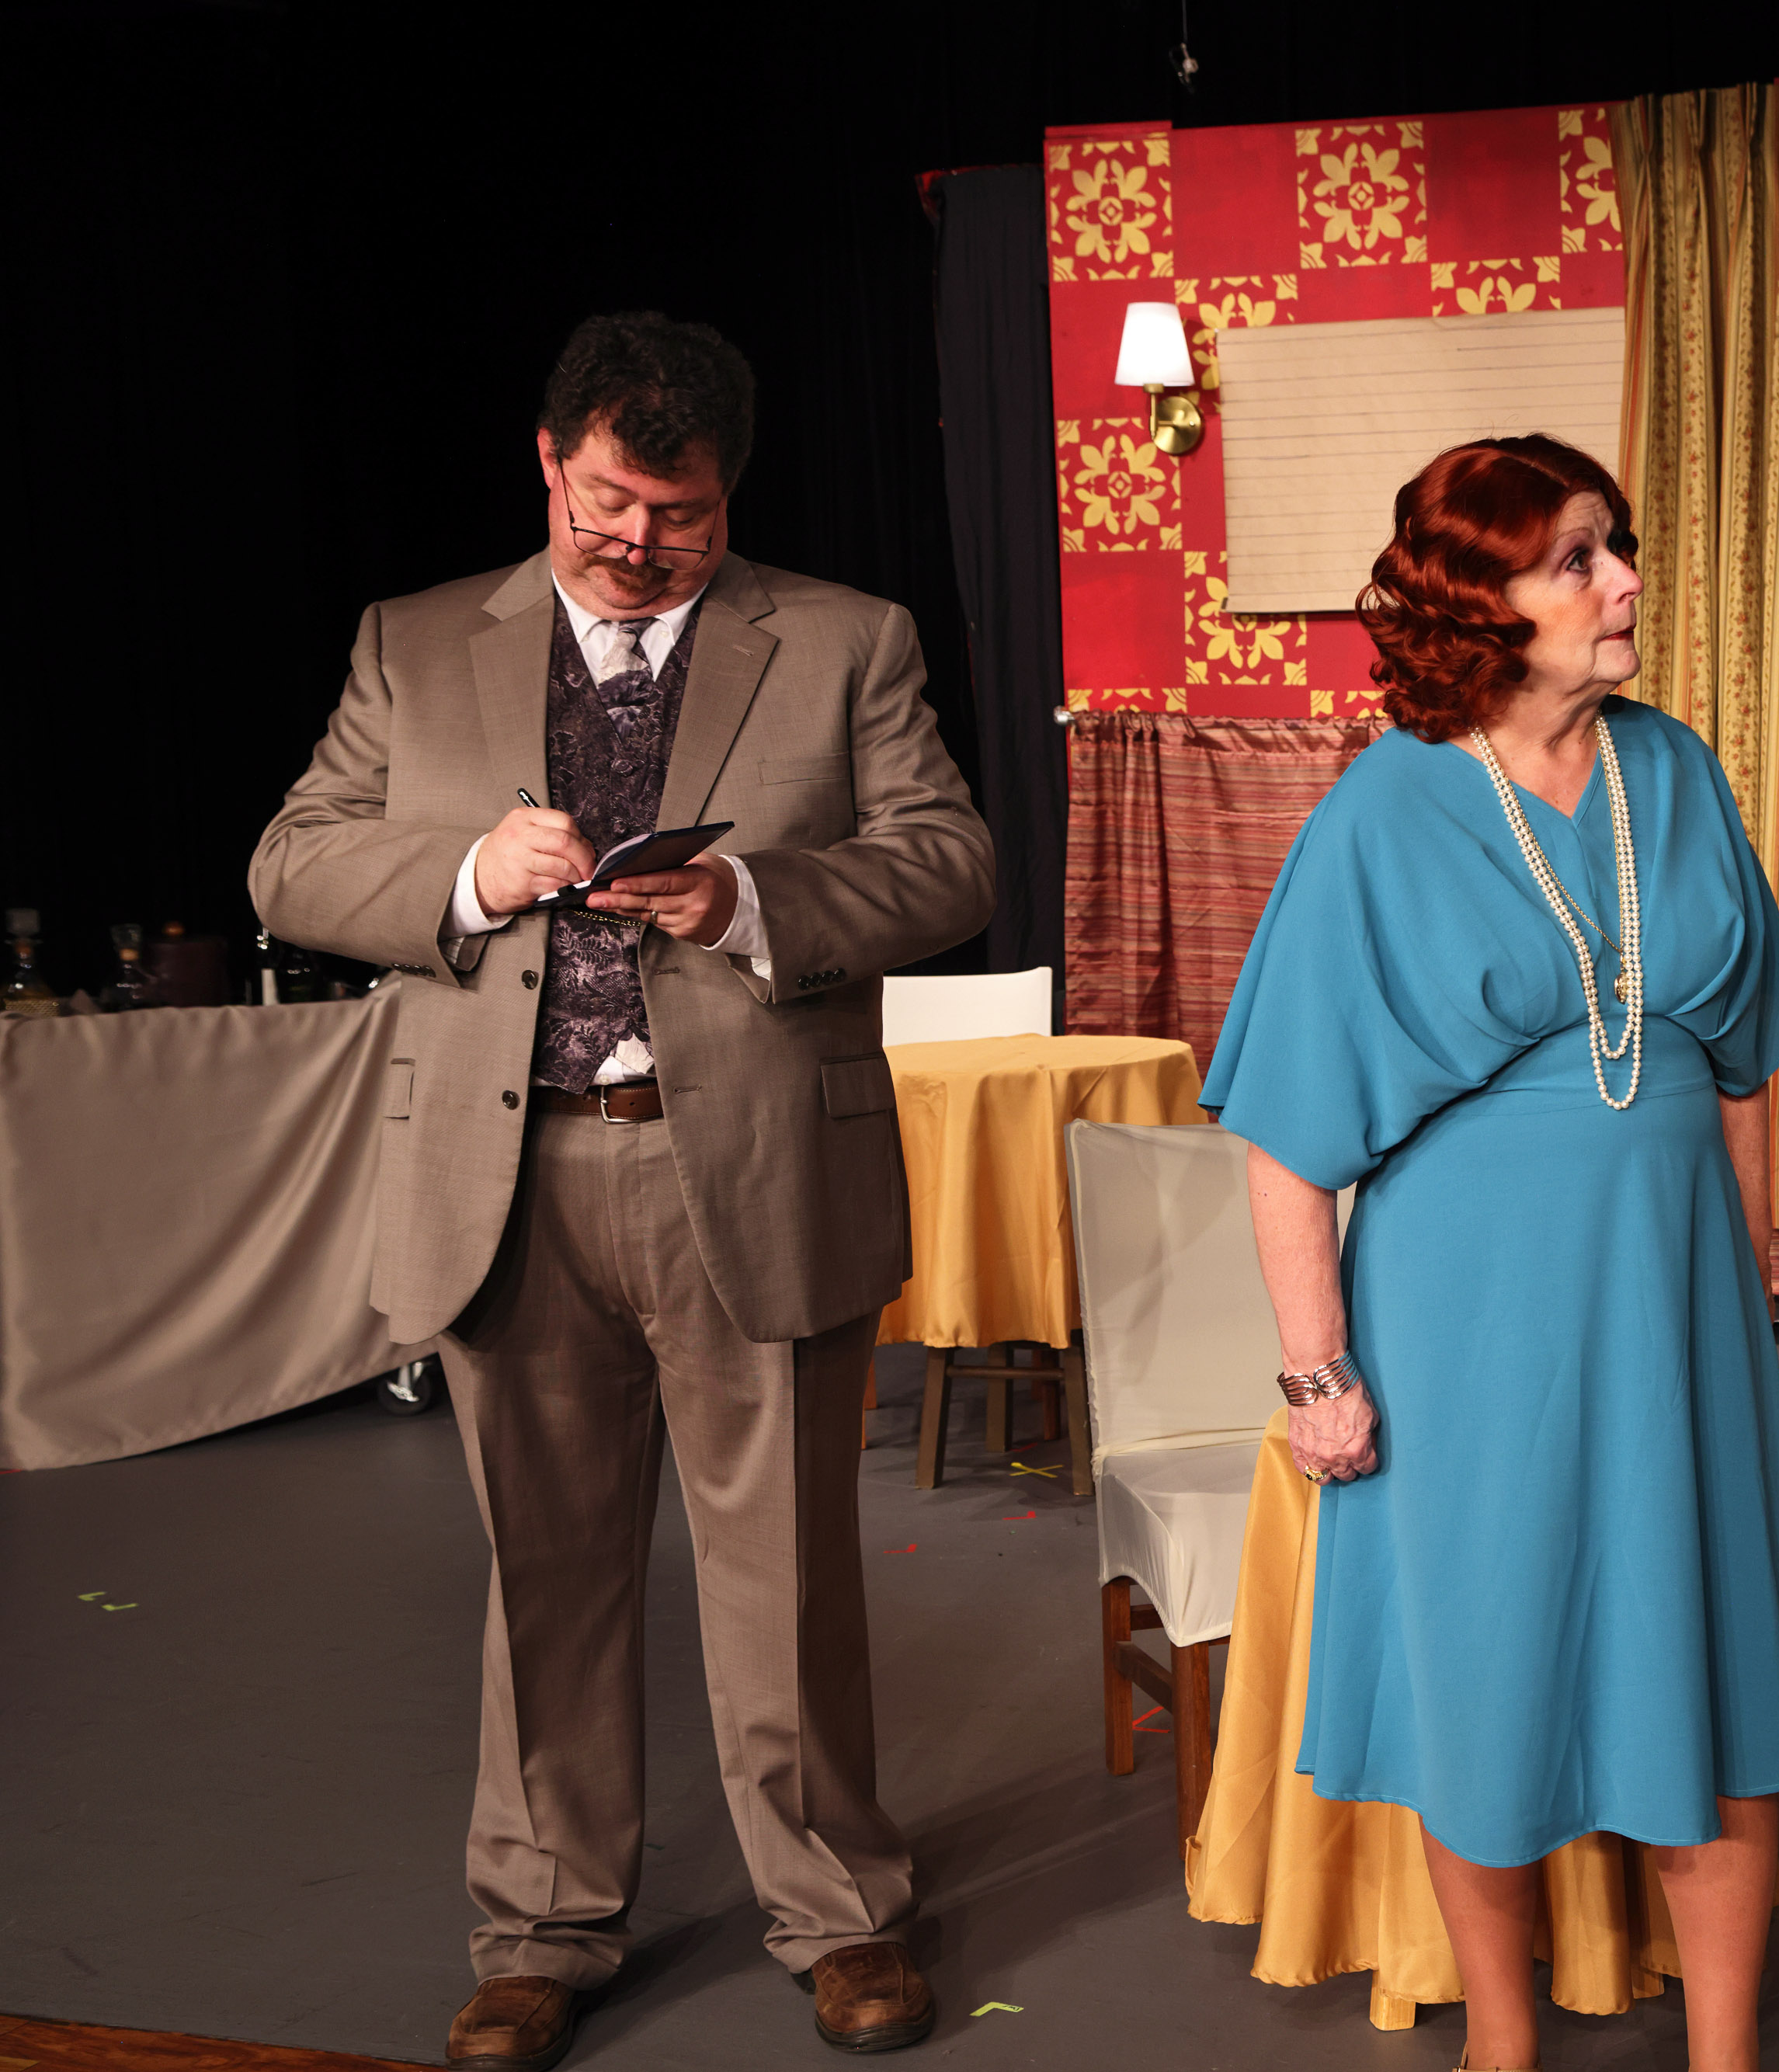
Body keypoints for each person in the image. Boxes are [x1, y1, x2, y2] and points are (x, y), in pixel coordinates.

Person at [252, 312, 992, 2069]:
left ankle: (840, 1913)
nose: (638, 543)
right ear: (548, 460)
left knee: (787, 1577)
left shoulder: (847, 639)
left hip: (750, 1166)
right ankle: (542, 1929)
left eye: (682, 514)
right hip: (504, 1176)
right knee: (546, 1580)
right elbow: (289, 862)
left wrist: (757, 902)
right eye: (605, 503)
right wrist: (461, 872)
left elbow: (950, 860)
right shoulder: (414, 640)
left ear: (731, 494)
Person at [1203, 436, 1779, 2072]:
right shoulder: (1380, 812)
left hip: (1674, 1302)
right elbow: (1289, 1135)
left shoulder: (1674, 770)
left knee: (1710, 1672)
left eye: (1613, 545)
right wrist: (1318, 1373)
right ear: (1482, 603)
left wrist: (1742, 1292)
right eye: (1577, 557)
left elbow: (1742, 1068)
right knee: (1484, 1667)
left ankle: (1726, 2057)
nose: (1623, 581)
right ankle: (1501, 2041)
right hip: (1462, 1318)